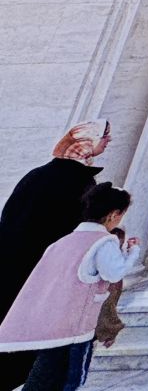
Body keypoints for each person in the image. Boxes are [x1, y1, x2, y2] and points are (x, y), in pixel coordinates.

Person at [0, 120, 111, 391]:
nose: (108, 142)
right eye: (103, 137)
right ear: (87, 141)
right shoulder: (80, 182)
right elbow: (79, 233)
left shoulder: (37, 174)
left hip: (14, 267)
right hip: (47, 275)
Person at [0, 183, 142, 391]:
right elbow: (114, 272)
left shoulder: (63, 242)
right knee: (71, 379)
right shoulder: (103, 242)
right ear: (113, 214)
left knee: (45, 374)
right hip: (76, 328)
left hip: (51, 324)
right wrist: (133, 252)